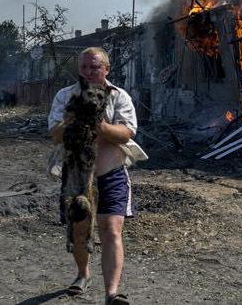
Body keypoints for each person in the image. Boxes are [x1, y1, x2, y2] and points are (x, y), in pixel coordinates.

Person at [48, 47, 146, 304]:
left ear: (106, 69)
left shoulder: (119, 96)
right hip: (77, 175)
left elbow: (127, 133)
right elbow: (55, 134)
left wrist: (99, 124)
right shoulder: (65, 96)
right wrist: (72, 121)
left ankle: (111, 294)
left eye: (95, 67)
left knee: (111, 229)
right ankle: (83, 274)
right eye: (84, 67)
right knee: (80, 229)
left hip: (111, 172)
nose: (89, 72)